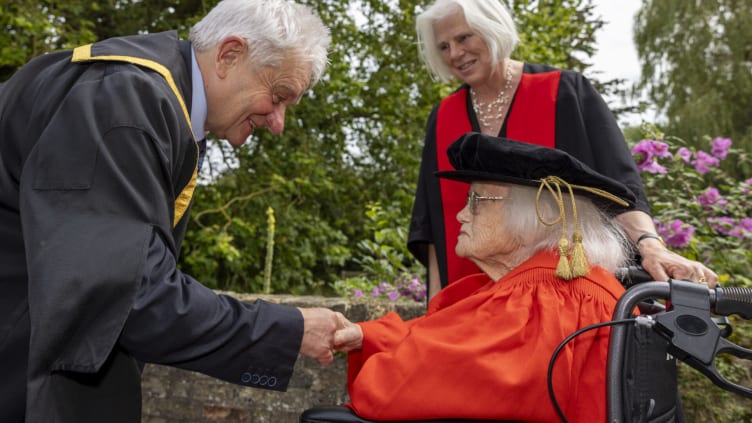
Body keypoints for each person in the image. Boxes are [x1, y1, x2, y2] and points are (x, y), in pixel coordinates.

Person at [0, 1, 340, 421]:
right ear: (229, 54)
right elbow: (127, 296)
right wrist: (287, 330)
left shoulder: (156, 100)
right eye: (278, 95)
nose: (279, 122)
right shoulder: (124, 101)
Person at [407, 0, 717, 300]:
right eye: (444, 46)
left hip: (558, 298)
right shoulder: (444, 116)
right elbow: (432, 224)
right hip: (468, 301)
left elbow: (620, 188)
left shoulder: (565, 92)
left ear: (492, 27)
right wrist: (436, 305)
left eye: (463, 37)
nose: (455, 53)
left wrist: (651, 245)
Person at [334, 132, 636, 422]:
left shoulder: (539, 298)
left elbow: (392, 388)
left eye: (476, 200)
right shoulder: (565, 286)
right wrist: (368, 336)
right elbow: (446, 335)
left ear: (531, 218)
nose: (461, 215)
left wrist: (378, 366)